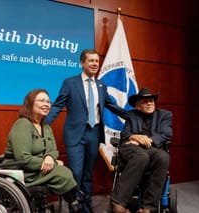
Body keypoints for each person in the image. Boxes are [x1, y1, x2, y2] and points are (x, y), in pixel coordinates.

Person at [45, 49, 128, 211]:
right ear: (82, 63)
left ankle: (86, 207)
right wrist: (42, 123)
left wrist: (133, 115)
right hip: (75, 135)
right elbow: (58, 104)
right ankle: (74, 206)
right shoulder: (70, 83)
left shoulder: (102, 86)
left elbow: (112, 106)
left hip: (94, 134)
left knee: (88, 175)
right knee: (75, 173)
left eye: (97, 61)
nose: (95, 64)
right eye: (91, 61)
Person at [5, 89, 81, 212]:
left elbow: (54, 150)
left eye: (48, 102)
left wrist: (50, 157)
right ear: (30, 103)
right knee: (63, 173)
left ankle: (74, 202)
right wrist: (54, 163)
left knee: (65, 172)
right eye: (42, 100)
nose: (47, 104)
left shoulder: (45, 126)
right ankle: (74, 203)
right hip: (23, 171)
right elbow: (23, 158)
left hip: (40, 170)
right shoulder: (22, 125)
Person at [110, 87, 172, 213]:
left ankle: (148, 207)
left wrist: (148, 139)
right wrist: (134, 136)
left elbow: (166, 134)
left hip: (152, 148)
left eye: (151, 101)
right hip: (130, 148)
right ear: (138, 106)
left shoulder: (164, 115)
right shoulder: (132, 115)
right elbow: (125, 135)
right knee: (141, 156)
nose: (149, 103)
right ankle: (118, 202)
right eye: (145, 101)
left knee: (163, 157)